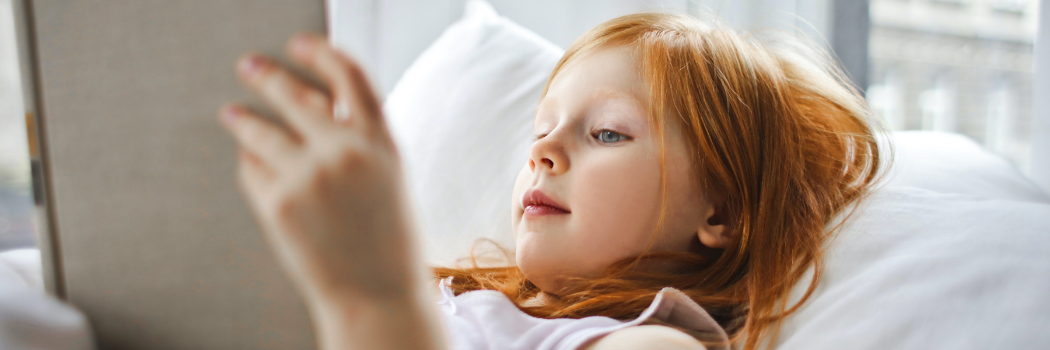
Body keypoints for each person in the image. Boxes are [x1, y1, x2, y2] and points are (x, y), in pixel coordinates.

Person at [216, 12, 881, 350]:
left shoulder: (651, 341)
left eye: (608, 134)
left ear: (723, 211)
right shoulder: (462, 297)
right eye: (541, 131)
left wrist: (375, 297)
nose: (544, 153)